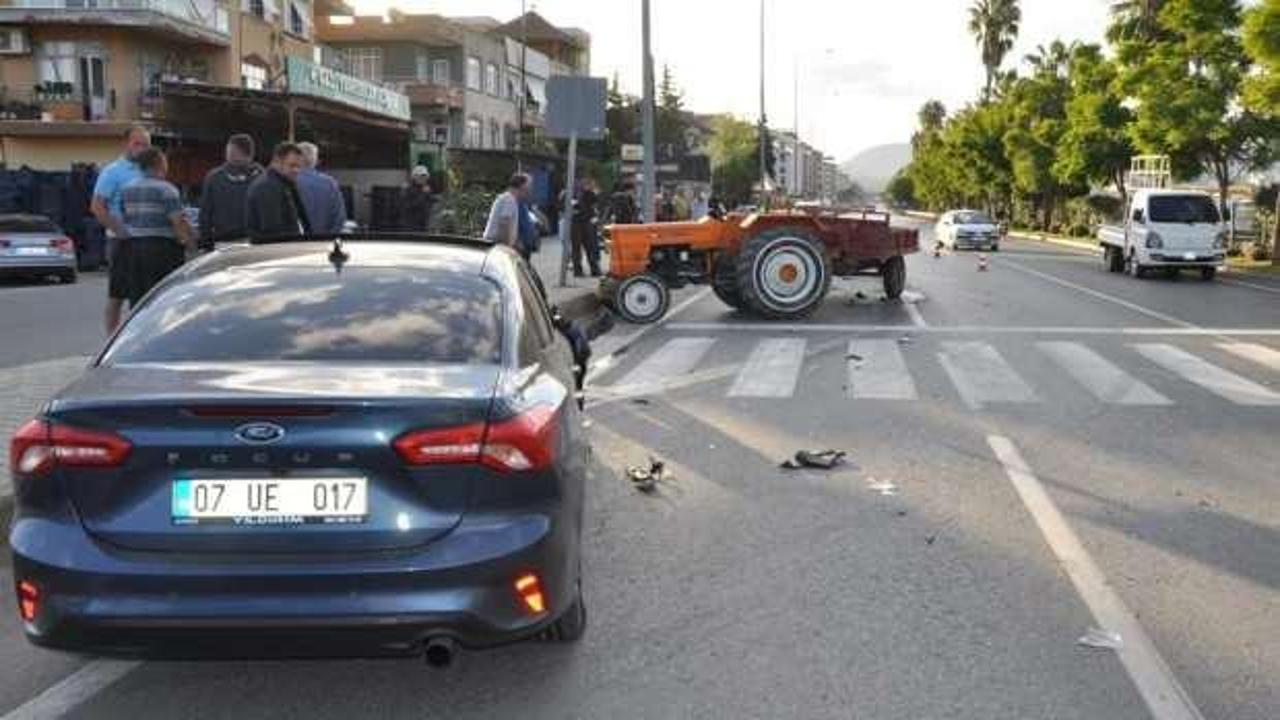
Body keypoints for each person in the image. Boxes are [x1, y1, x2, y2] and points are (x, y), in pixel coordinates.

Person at [115, 148, 194, 306]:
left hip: (134, 249)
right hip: (162, 249)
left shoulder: (126, 189)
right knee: (164, 298)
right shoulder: (167, 189)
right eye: (164, 161)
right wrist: (189, 243)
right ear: (158, 164)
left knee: (139, 300)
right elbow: (177, 221)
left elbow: (124, 218)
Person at [91, 125, 149, 333]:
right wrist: (120, 231)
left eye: (146, 145)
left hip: (146, 241)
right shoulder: (113, 172)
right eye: (137, 144)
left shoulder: (150, 170)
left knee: (144, 297)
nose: (142, 149)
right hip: (121, 242)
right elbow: (97, 207)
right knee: (117, 296)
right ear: (126, 144)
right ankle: (110, 345)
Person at [198, 134, 262, 250]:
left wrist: (206, 243)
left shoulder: (215, 177)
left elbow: (205, 213)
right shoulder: (262, 177)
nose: (229, 155)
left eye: (232, 152)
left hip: (247, 242)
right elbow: (205, 213)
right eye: (229, 152)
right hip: (230, 242)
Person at [246, 142, 311, 239]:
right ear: (277, 161)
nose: (296, 171)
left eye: (299, 166)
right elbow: (272, 230)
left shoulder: (283, 184)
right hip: (276, 250)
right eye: (292, 165)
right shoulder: (268, 187)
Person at [295, 142, 347, 235]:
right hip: (323, 242)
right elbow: (340, 217)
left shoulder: (288, 182)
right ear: (315, 160)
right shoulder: (330, 183)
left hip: (293, 243)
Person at [483, 173, 532, 250]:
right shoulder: (509, 200)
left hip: (498, 244)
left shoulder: (510, 199)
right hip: (497, 244)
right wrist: (507, 248)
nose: (528, 192)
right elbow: (504, 224)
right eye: (527, 188)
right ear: (521, 187)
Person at [571, 178, 601, 277]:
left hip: (579, 223)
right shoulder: (588, 194)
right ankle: (593, 270)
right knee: (588, 247)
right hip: (584, 223)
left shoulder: (578, 194)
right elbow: (595, 206)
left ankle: (579, 271)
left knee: (580, 248)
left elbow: (594, 206)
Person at [399, 166, 436, 232]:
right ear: (414, 177)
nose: (421, 178)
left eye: (424, 176)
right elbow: (408, 206)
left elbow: (430, 204)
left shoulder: (426, 188)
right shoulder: (407, 189)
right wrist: (423, 194)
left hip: (424, 224)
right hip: (411, 225)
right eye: (419, 176)